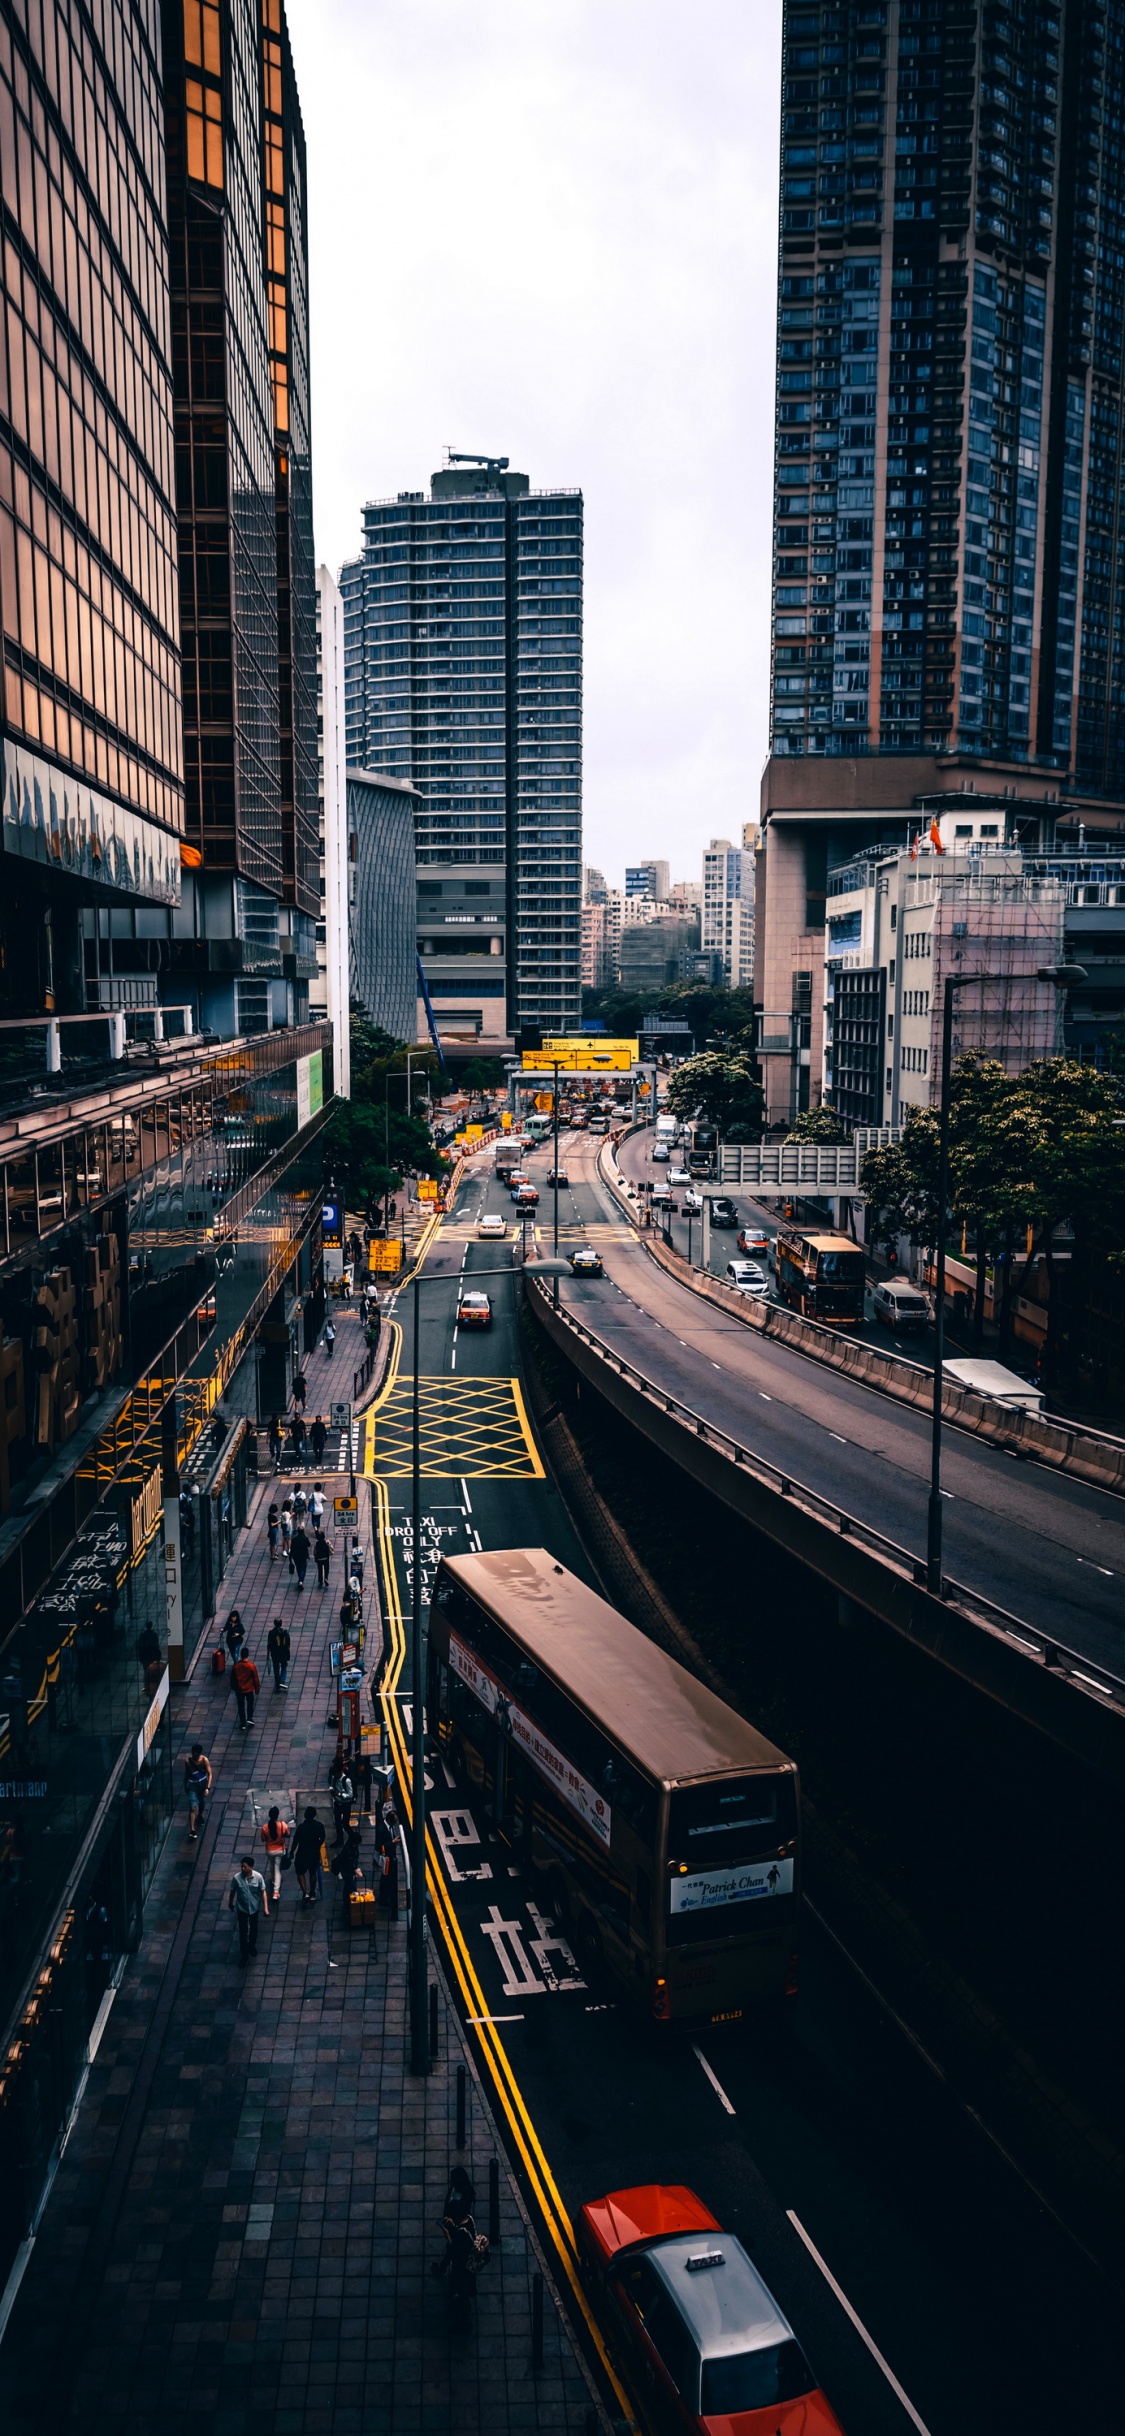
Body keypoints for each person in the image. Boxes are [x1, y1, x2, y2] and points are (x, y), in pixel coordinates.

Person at [228, 1854, 268, 1964]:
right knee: (243, 1932)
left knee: (254, 1930)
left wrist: (265, 1908)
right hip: (242, 1909)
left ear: (251, 1867)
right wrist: (230, 1902)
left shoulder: (258, 1877)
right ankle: (244, 1955)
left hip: (254, 1908)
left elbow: (263, 1891)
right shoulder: (237, 1878)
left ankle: (252, 1946)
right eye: (242, 1866)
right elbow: (233, 1891)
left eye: (245, 1867)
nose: (242, 1868)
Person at [290, 1807, 328, 1904]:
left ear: (305, 1815)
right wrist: (318, 1844)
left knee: (300, 1872)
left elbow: (295, 1841)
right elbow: (323, 1837)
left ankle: (305, 1892)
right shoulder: (319, 1826)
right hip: (314, 1853)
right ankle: (312, 1892)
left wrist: (291, 1852)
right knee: (312, 1873)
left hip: (302, 1853)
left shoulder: (301, 1827)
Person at [260, 1806, 291, 1900]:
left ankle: (273, 1879)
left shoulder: (265, 1827)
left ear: (269, 1815)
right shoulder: (282, 1825)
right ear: (277, 1815)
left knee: (271, 1864)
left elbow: (263, 1839)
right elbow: (288, 1835)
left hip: (269, 1850)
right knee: (278, 1869)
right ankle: (276, 1892)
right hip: (280, 1850)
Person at [183, 1743, 212, 1841]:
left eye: (196, 1754)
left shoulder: (204, 1760)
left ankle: (199, 1815)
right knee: (192, 1807)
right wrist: (185, 1784)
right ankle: (192, 1830)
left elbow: (210, 1773)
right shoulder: (188, 1761)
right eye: (193, 1754)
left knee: (201, 1802)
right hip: (192, 1785)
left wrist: (208, 1787)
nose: (195, 1756)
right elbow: (187, 1773)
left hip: (202, 1784)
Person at [377, 1801, 399, 1919]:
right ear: (389, 1820)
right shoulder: (381, 1829)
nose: (395, 1824)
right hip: (386, 1858)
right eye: (394, 1822)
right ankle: (383, 1898)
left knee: (388, 1877)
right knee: (385, 1878)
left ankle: (387, 1896)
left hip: (391, 1857)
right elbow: (381, 1845)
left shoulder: (389, 1827)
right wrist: (392, 1842)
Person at [231, 1648, 260, 1731]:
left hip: (239, 1689)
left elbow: (232, 1679)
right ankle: (249, 1718)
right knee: (250, 1703)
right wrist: (257, 1688)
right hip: (249, 1689)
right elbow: (255, 1678)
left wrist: (234, 1688)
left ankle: (242, 1723)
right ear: (247, 1654)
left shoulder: (236, 1666)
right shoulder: (251, 1666)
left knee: (241, 1706)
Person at [331, 1765, 354, 1847]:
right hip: (337, 1803)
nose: (335, 1776)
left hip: (346, 1804)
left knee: (345, 1823)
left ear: (340, 1772)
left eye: (337, 1774)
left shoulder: (346, 1781)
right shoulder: (334, 1778)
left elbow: (350, 1795)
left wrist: (340, 1794)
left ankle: (353, 1836)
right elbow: (332, 1785)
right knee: (337, 1823)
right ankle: (340, 1840)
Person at [266, 1617, 291, 1689]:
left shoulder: (271, 1633)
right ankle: (282, 1680)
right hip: (283, 1653)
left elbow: (269, 1644)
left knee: (276, 1667)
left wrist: (268, 1654)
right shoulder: (285, 1632)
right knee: (284, 1666)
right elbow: (288, 1643)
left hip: (275, 1653)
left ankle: (278, 1682)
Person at [135, 1621, 162, 1685]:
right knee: (151, 1669)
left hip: (144, 1655)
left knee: (145, 1670)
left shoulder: (143, 1635)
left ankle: (146, 1684)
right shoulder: (154, 1635)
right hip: (151, 1655)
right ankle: (151, 1684)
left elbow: (140, 1646)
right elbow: (156, 1646)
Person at [291, 1523, 310, 1591]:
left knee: (298, 1568)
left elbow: (292, 1548)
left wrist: (290, 1558)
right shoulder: (305, 1538)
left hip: (296, 1556)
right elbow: (308, 1545)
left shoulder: (294, 1539)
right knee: (303, 1568)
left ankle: (300, 1579)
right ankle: (301, 1581)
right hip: (303, 1555)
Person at [355, 1750, 373, 1815]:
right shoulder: (356, 1768)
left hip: (364, 1779)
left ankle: (367, 1807)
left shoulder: (367, 1768)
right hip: (361, 1779)